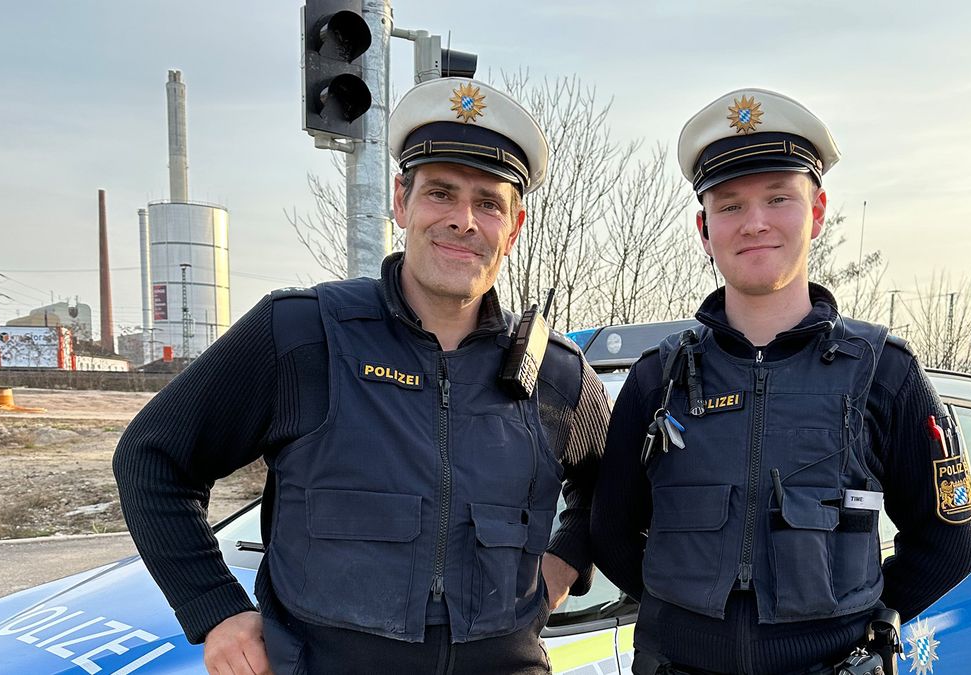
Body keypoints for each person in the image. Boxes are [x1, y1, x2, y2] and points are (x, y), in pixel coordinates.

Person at [114, 78, 610, 675]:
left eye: (488, 203)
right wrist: (215, 608)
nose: (463, 221)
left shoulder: (557, 373)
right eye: (441, 194)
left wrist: (563, 565)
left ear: (515, 223)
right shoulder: (302, 336)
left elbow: (614, 491)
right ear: (401, 202)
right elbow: (152, 457)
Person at [589, 88, 971, 675]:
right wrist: (687, 619)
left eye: (779, 198)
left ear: (817, 212)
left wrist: (867, 618)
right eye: (729, 206)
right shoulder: (658, 378)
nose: (755, 223)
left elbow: (951, 543)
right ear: (704, 227)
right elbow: (610, 532)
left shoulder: (885, 373)